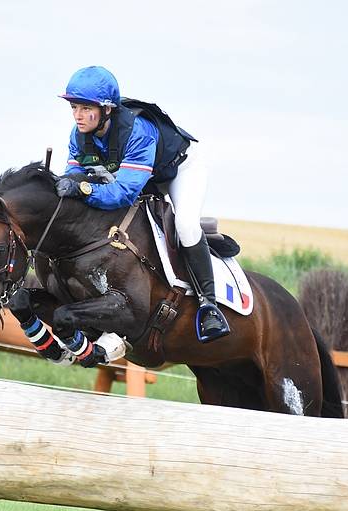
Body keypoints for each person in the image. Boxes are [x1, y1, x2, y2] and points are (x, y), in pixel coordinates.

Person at [55, 66, 230, 343]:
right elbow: (73, 176)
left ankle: (209, 305)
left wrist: (84, 188)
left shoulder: (137, 132)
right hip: (139, 175)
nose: (77, 115)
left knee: (184, 225)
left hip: (179, 170)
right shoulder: (79, 135)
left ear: (107, 110)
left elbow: (122, 192)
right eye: (74, 107)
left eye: (85, 108)